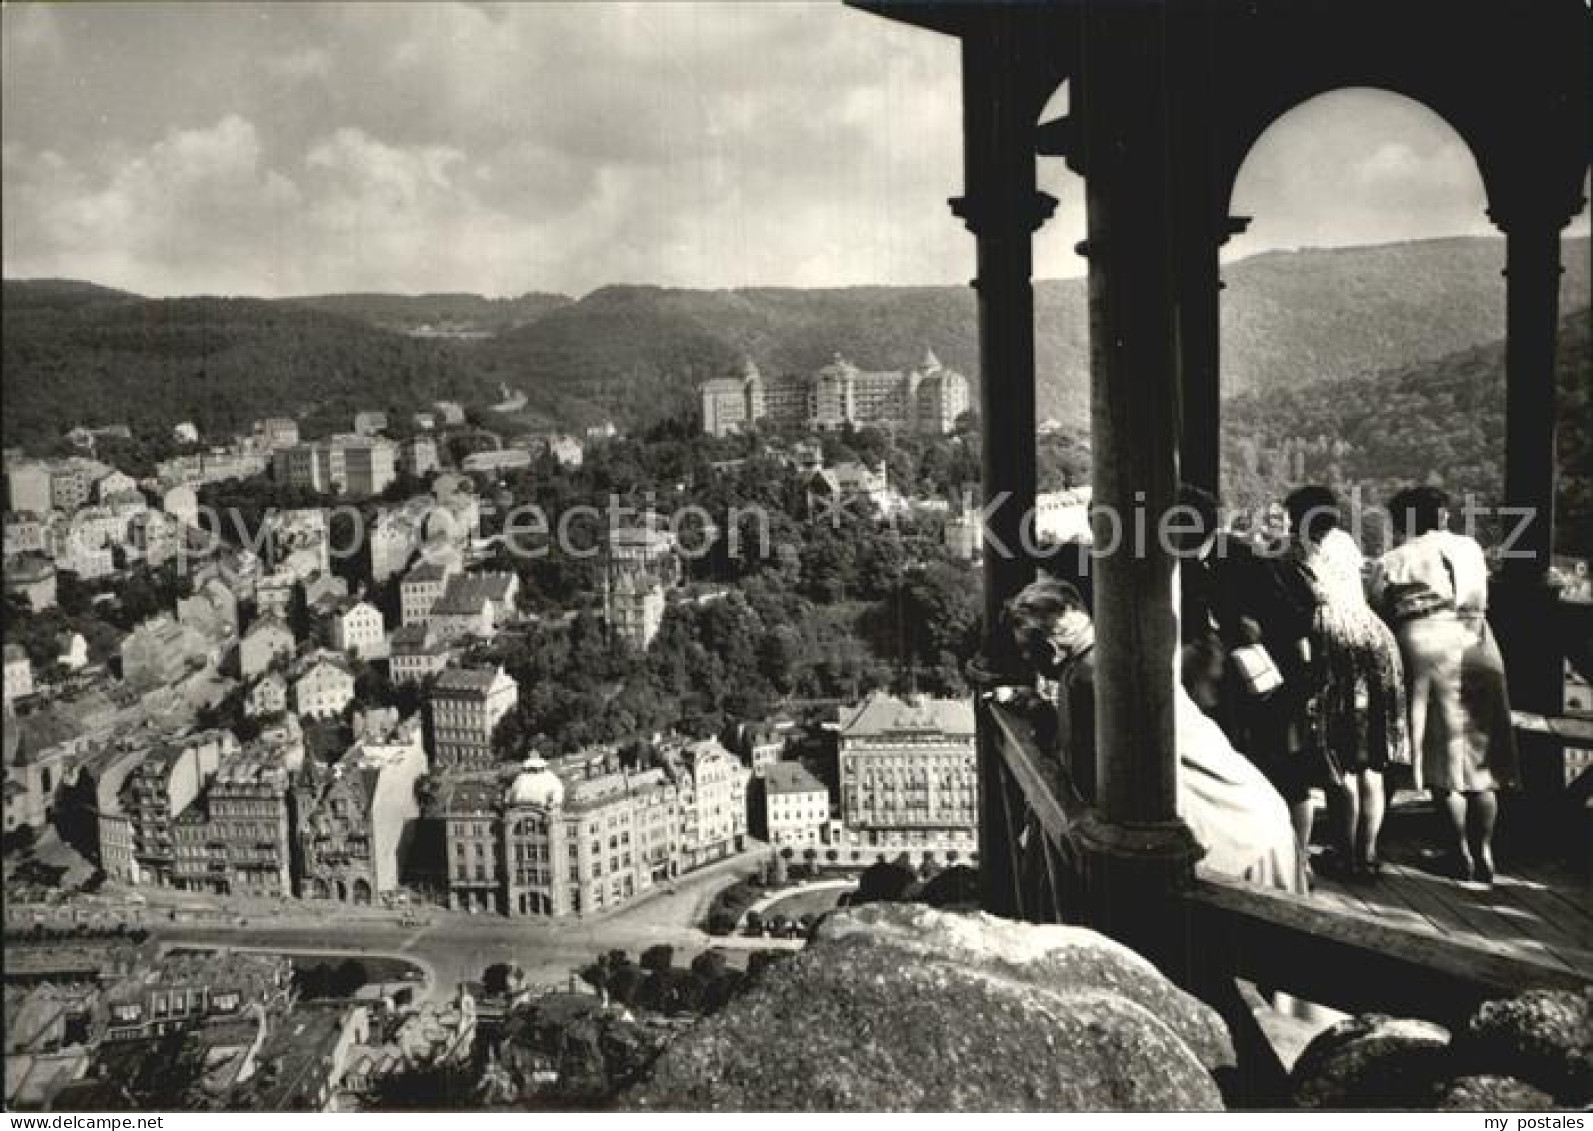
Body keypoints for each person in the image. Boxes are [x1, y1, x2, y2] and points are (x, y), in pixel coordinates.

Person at [1005, 577, 1305, 893]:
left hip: (1234, 833)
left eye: (1027, 651)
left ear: (1050, 648)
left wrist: (1040, 716)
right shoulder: (1112, 656)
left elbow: (1083, 778)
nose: (1026, 660)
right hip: (1249, 817)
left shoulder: (1084, 678)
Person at [1370, 486, 1519, 884]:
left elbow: (1376, 607)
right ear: (1440, 516)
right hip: (1477, 640)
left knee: (1443, 758)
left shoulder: (1393, 560)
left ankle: (1459, 853)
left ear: (1403, 522)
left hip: (1426, 646)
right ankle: (1485, 851)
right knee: (1481, 757)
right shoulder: (1470, 548)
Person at [1284, 485, 1409, 879]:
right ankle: (1366, 855)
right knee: (1371, 755)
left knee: (1341, 756)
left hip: (1333, 640)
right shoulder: (1345, 543)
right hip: (1375, 636)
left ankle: (1341, 853)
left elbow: (1295, 601)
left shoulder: (1292, 550)